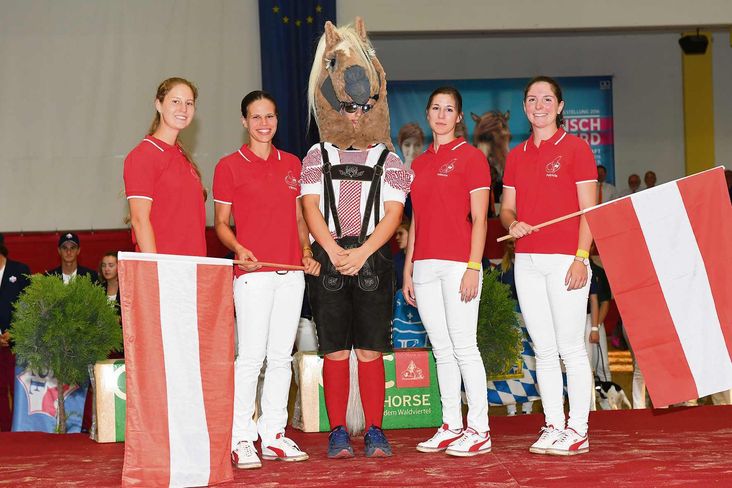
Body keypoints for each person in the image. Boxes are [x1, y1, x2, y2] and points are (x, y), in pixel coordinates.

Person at [303, 17, 413, 460]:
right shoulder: (316, 154)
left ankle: (374, 430)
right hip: (329, 257)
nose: (355, 116)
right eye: (348, 108)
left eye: (362, 108)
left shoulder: (389, 159)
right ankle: (335, 431)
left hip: (372, 258)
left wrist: (363, 251)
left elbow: (394, 213)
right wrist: (332, 250)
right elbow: (310, 207)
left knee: (369, 352)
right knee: (333, 352)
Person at [213, 91, 321, 469]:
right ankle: (241, 437)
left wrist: (306, 253)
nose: (264, 124)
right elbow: (221, 224)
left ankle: (273, 434)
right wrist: (239, 249)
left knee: (280, 358)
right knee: (251, 359)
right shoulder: (229, 166)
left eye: (270, 117)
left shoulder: (292, 163)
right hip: (252, 274)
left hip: (291, 275)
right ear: (245, 121)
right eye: (256, 117)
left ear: (277, 120)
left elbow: (298, 218)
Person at [500, 75, 597, 456]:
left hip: (566, 260)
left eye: (546, 99)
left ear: (559, 107)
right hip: (527, 260)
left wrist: (581, 257)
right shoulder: (516, 154)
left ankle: (579, 429)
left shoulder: (576, 149)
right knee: (543, 348)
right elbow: (506, 207)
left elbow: (590, 209)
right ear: (525, 107)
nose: (538, 105)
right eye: (531, 99)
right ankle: (553, 424)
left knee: (570, 348)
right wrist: (512, 223)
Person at [403, 86, 492, 457]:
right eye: (435, 108)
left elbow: (481, 218)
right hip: (424, 265)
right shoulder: (418, 165)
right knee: (441, 349)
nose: (441, 115)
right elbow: (416, 222)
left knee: (464, 346)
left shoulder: (472, 158)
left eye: (449, 109)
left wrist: (474, 266)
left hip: (459, 264)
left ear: (458, 118)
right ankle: (452, 424)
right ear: (428, 114)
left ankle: (480, 429)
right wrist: (408, 271)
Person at [123, 77, 207, 257]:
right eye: (175, 101)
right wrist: (156, 269)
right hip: (165, 270)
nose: (183, 109)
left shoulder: (182, 157)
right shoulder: (143, 155)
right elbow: (139, 220)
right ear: (158, 105)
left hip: (193, 267)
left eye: (189, 103)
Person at [0, 234, 31, 431]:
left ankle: (20, 430)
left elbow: (29, 305)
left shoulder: (19, 271)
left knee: (20, 389)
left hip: (17, 343)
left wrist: (15, 331)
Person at [393, 221, 409, 290]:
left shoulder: (419, 259)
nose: (397, 237)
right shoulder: (396, 258)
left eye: (400, 233)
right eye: (397, 234)